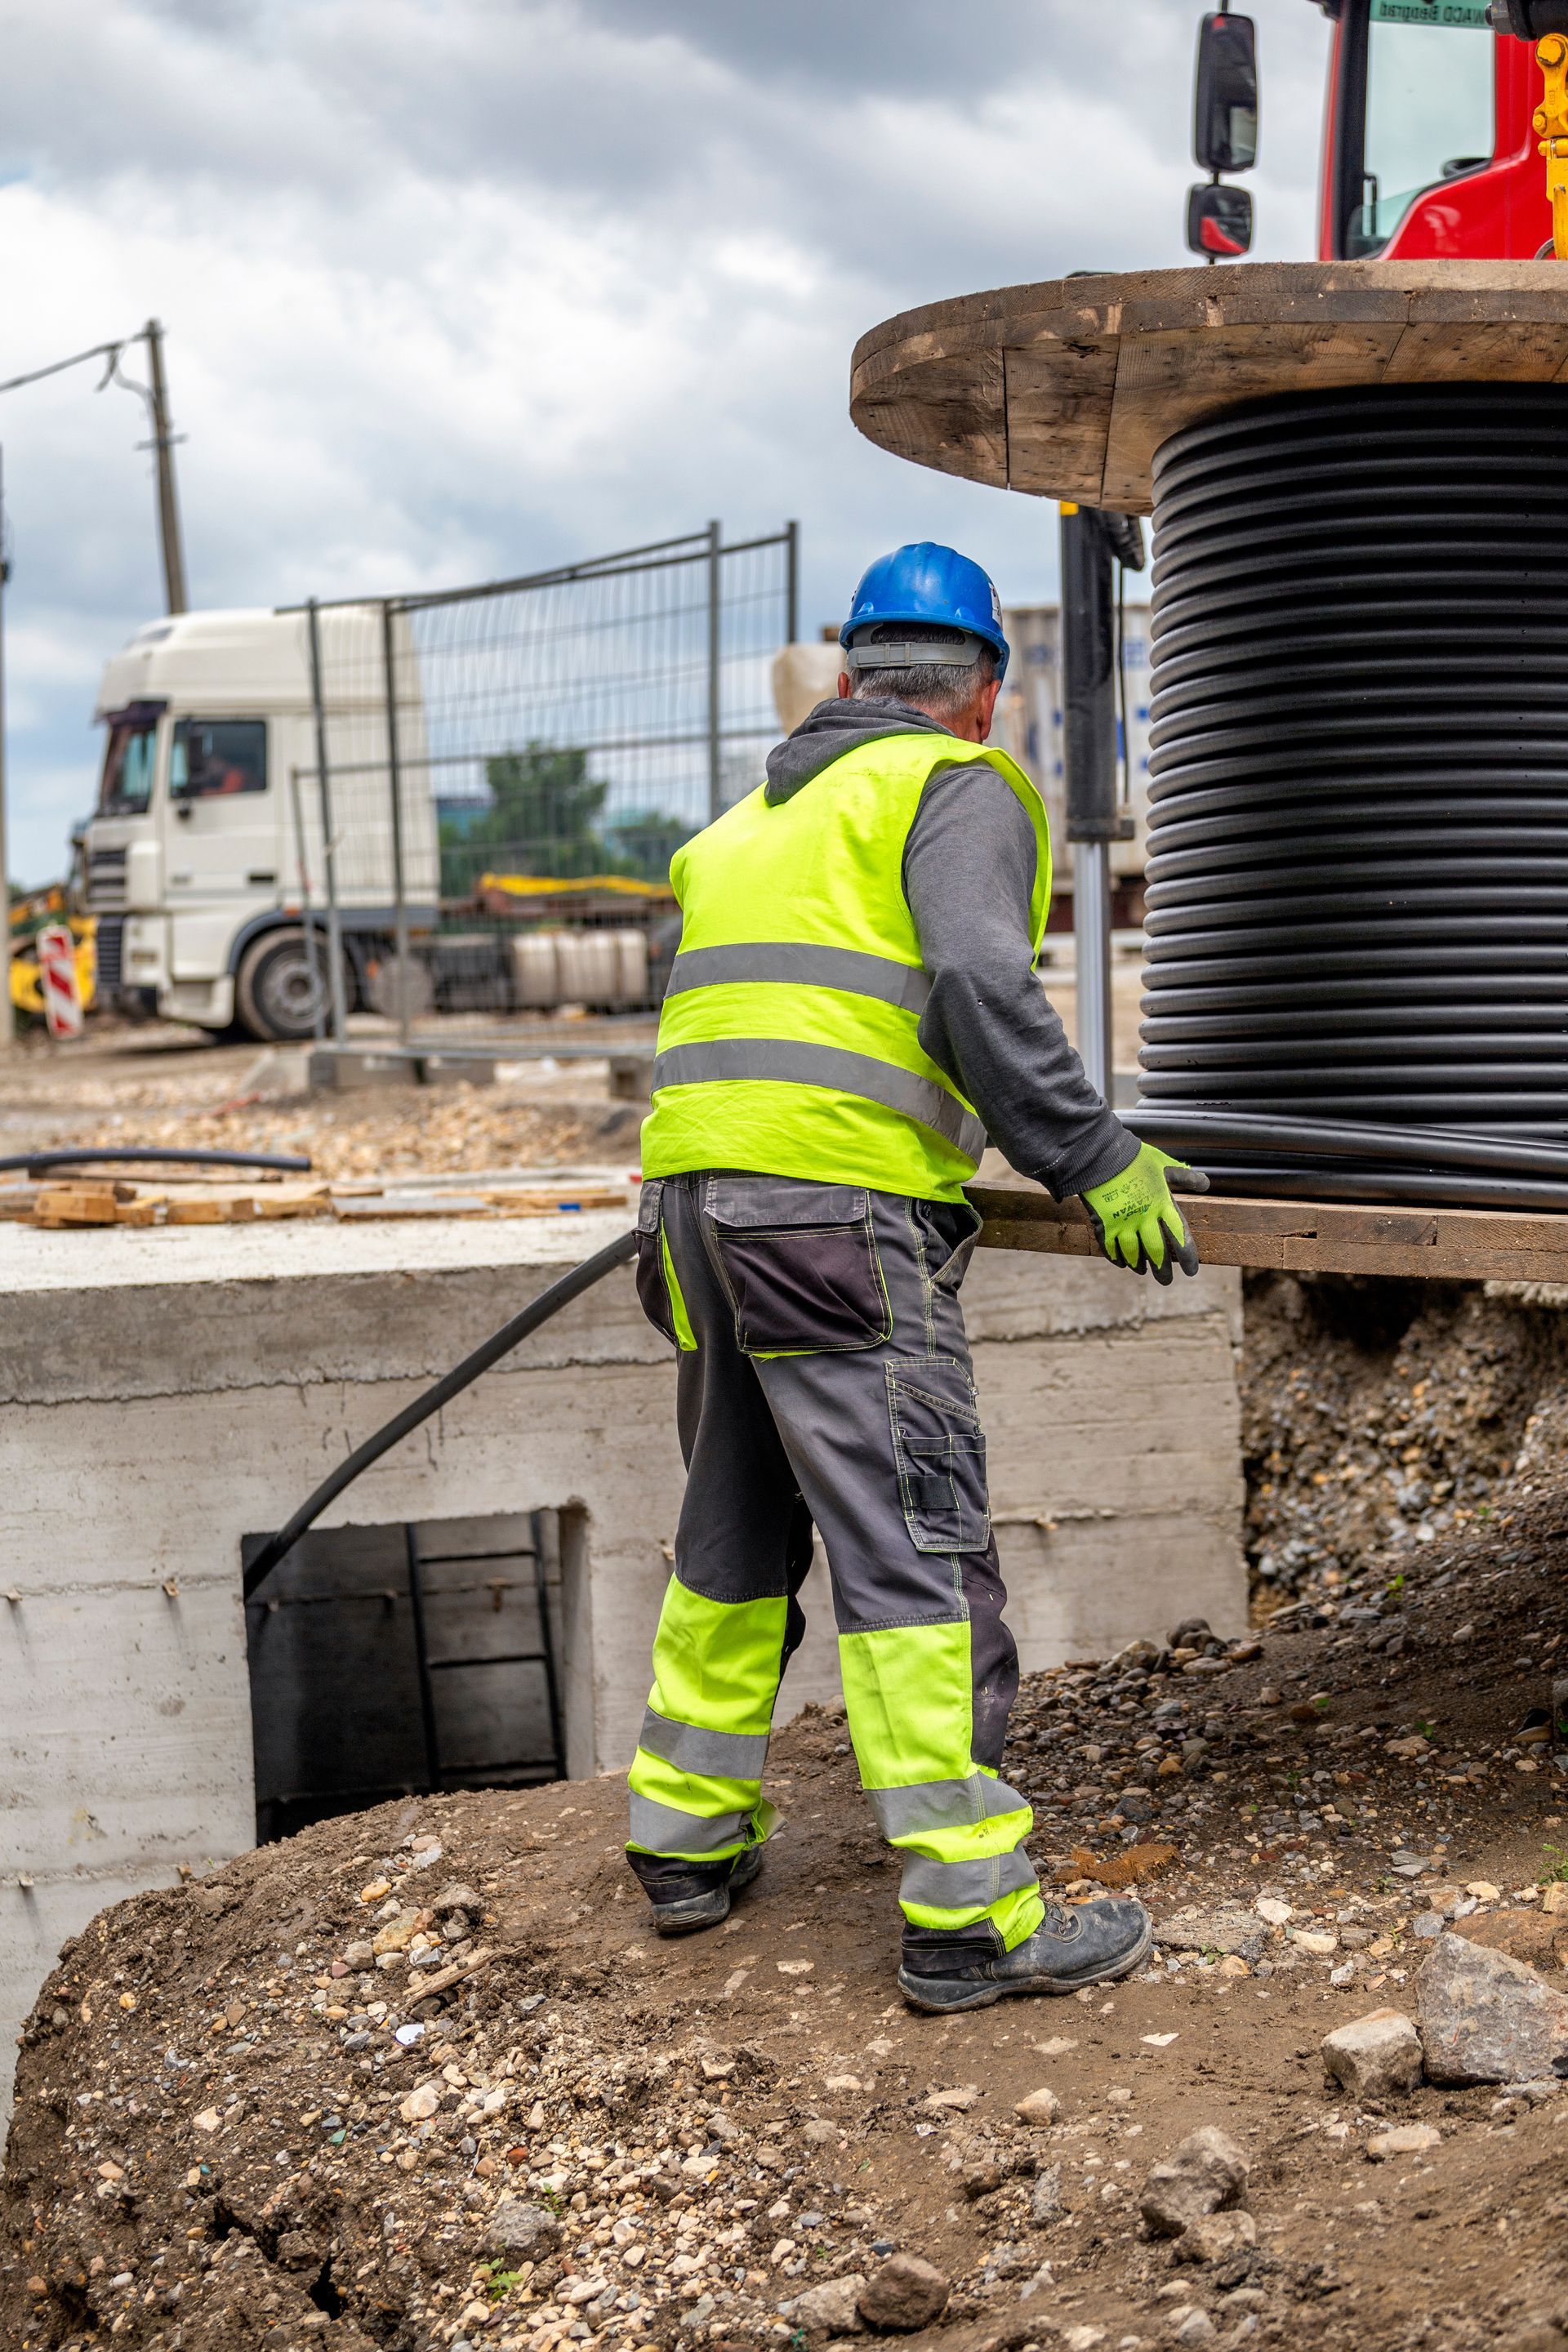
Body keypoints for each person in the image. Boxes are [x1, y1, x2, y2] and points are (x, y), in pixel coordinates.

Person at [625, 541, 1204, 2014]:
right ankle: (970, 1918)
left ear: (847, 671)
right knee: (918, 1546)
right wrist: (1090, 1152)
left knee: (735, 1521)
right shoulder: (952, 786)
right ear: (985, 696)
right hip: (832, 1219)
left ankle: (683, 1842)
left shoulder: (742, 823)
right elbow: (971, 981)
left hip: (691, 1211)